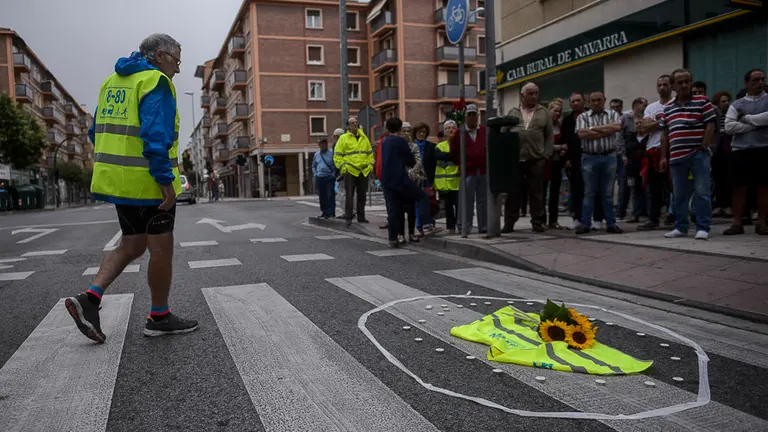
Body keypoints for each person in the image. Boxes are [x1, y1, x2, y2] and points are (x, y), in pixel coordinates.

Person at [64, 34, 198, 343]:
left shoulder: (112, 82)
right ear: (160, 55)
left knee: (133, 244)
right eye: (177, 61)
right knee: (161, 248)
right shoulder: (156, 82)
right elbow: (156, 136)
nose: (178, 69)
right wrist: (165, 182)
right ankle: (159, 317)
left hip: (119, 183)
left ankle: (90, 299)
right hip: (148, 184)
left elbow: (95, 132)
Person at [659, 68, 716, 240]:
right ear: (673, 86)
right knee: (679, 194)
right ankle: (681, 227)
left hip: (698, 154)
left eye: (687, 81)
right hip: (676, 157)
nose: (684, 85)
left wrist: (704, 144)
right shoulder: (668, 108)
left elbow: (710, 124)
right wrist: (663, 156)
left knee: (702, 192)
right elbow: (664, 134)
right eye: (680, 82)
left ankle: (703, 227)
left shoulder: (702, 101)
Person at [504, 82, 553, 233]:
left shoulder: (544, 112)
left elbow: (549, 136)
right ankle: (509, 222)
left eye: (536, 93)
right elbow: (504, 135)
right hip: (516, 160)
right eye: (531, 93)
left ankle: (537, 222)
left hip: (536, 159)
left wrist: (545, 155)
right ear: (522, 95)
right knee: (513, 193)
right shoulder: (513, 112)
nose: (534, 96)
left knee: (536, 193)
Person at [723, 69, 768, 235]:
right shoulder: (737, 104)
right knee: (739, 188)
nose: (760, 83)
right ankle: (737, 223)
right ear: (746, 83)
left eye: (762, 79)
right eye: (756, 80)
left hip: (764, 148)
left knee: (764, 187)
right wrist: (756, 125)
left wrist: (747, 119)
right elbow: (729, 127)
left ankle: (762, 222)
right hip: (741, 150)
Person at [575, 91, 624, 234]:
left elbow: (617, 127)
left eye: (599, 99)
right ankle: (585, 223)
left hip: (609, 156)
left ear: (604, 100)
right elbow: (582, 134)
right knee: (589, 192)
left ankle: (611, 224)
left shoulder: (613, 114)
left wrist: (591, 129)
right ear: (588, 102)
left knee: (607, 193)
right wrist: (606, 130)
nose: (596, 102)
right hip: (589, 157)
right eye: (593, 100)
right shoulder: (582, 116)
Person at [450, 104, 488, 235]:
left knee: (483, 199)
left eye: (474, 115)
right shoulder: (460, 133)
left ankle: (484, 225)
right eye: (469, 115)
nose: (472, 118)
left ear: (477, 116)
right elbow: (453, 152)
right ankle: (464, 226)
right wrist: (463, 164)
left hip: (483, 169)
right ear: (466, 117)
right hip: (468, 171)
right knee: (466, 200)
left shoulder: (484, 130)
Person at [380, 117, 416, 248]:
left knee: (392, 209)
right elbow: (411, 161)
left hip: (386, 179)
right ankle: (407, 233)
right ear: (400, 128)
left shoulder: (384, 141)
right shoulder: (400, 141)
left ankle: (393, 238)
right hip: (399, 179)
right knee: (404, 207)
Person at [334, 117, 373, 227]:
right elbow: (337, 155)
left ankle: (361, 217)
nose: (355, 124)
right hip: (350, 170)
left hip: (363, 170)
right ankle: (348, 217)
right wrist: (344, 168)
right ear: (348, 126)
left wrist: (370, 165)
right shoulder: (343, 138)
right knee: (349, 195)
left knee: (362, 195)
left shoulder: (364, 137)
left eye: (356, 122)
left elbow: (370, 153)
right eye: (352, 123)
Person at [411, 122, 444, 236]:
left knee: (428, 202)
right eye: (419, 132)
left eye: (424, 132)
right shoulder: (410, 146)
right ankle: (419, 227)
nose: (421, 134)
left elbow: (437, 160)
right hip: (414, 179)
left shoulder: (431, 146)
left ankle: (427, 225)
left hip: (427, 179)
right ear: (415, 133)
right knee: (416, 204)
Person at [435, 120, 460, 234]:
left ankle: (461, 226)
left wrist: (448, 156)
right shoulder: (439, 146)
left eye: (453, 127)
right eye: (447, 128)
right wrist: (452, 156)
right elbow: (439, 157)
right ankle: (451, 228)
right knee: (448, 207)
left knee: (460, 206)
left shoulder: (461, 144)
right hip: (445, 183)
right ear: (444, 132)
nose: (450, 130)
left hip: (458, 181)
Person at [312, 138, 336, 218]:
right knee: (322, 196)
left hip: (329, 177)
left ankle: (331, 212)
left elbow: (335, 164)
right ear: (319, 145)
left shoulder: (332, 153)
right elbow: (313, 165)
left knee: (330, 195)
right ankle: (324, 212)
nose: (323, 145)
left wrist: (334, 174)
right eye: (321, 143)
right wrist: (315, 174)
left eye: (325, 143)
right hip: (320, 177)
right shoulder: (316, 154)